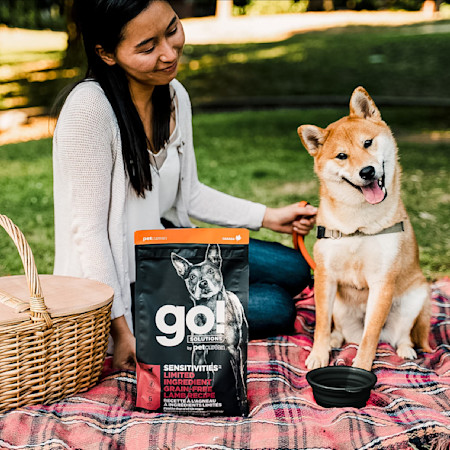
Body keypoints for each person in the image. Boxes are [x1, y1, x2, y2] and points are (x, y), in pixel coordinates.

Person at [52, 0, 317, 371]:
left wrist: (271, 216)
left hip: (167, 247)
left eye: (172, 30)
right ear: (107, 53)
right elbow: (90, 235)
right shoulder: (89, 110)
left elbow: (189, 192)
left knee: (294, 270)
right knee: (277, 306)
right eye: (147, 47)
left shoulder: (173, 94)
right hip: (123, 283)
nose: (168, 53)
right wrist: (121, 331)